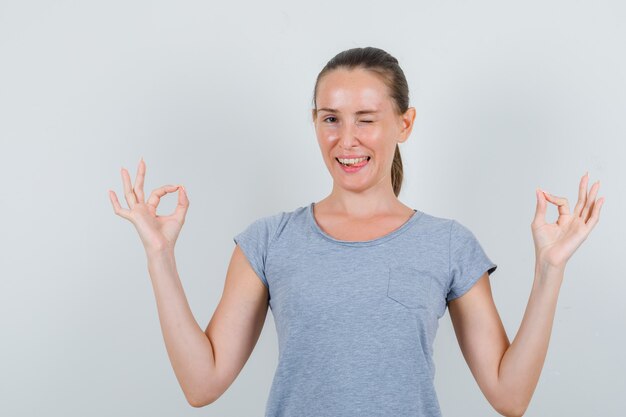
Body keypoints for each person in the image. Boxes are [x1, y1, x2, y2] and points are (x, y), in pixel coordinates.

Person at [108, 47, 605, 417]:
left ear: (404, 124)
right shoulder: (269, 241)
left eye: (366, 119)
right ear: (315, 122)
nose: (347, 140)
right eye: (331, 119)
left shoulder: (448, 245)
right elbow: (202, 384)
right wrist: (159, 256)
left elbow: (509, 394)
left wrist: (549, 269)